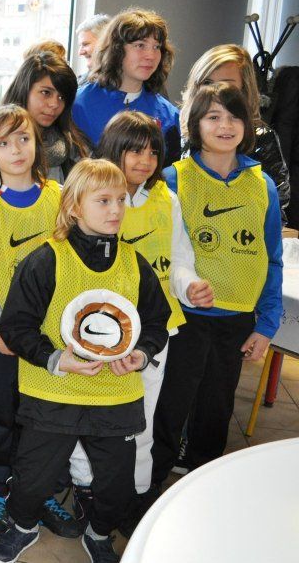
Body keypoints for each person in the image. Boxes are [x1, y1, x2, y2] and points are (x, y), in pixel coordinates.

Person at [0, 159, 170, 563]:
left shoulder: (135, 264)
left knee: (117, 485)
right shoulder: (45, 260)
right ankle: (23, 526)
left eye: (121, 200)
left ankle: (100, 532)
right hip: (53, 393)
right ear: (74, 206)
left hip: (115, 395)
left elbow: (156, 322)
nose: (116, 209)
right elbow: (15, 327)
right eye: (103, 200)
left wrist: (141, 354)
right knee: (32, 478)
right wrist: (55, 359)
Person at [70, 110, 212, 534]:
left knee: (142, 418)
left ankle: (136, 495)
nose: (145, 160)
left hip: (154, 331)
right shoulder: (91, 195)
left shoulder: (167, 199)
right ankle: (85, 488)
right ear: (113, 149)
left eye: (153, 152)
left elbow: (179, 259)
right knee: (90, 414)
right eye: (135, 150)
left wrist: (189, 286)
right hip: (99, 330)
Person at [151, 83, 283, 489]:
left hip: (237, 320)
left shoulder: (264, 186)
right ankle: (150, 489)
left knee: (216, 409)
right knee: (169, 407)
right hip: (183, 318)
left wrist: (266, 324)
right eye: (213, 117)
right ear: (194, 125)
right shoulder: (172, 180)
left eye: (234, 116)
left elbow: (272, 258)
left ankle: (203, 485)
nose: (225, 125)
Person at [0, 106, 75, 539]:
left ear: (37, 143)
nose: (16, 150)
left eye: (23, 139)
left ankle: (37, 490)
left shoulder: (58, 196)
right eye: (4, 143)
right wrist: (1, 331)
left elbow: (71, 263)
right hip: (1, 340)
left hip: (46, 339)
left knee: (42, 419)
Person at [179, 44, 290, 212]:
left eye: (226, 84)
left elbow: (277, 202)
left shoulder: (261, 138)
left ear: (244, 90)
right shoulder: (178, 128)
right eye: (207, 82)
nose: (216, 91)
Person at [72, 8, 181, 164]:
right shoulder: (79, 105)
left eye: (157, 47)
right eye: (140, 45)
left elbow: (167, 172)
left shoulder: (168, 115)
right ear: (116, 49)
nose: (151, 56)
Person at [0, 51, 90, 183]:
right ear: (24, 89)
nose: (54, 104)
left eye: (62, 97)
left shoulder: (74, 150)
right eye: (46, 92)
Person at [74, 14, 110, 83]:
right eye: (80, 45)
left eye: (85, 44)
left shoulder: (126, 82)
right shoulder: (81, 81)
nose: (80, 52)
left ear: (105, 42)